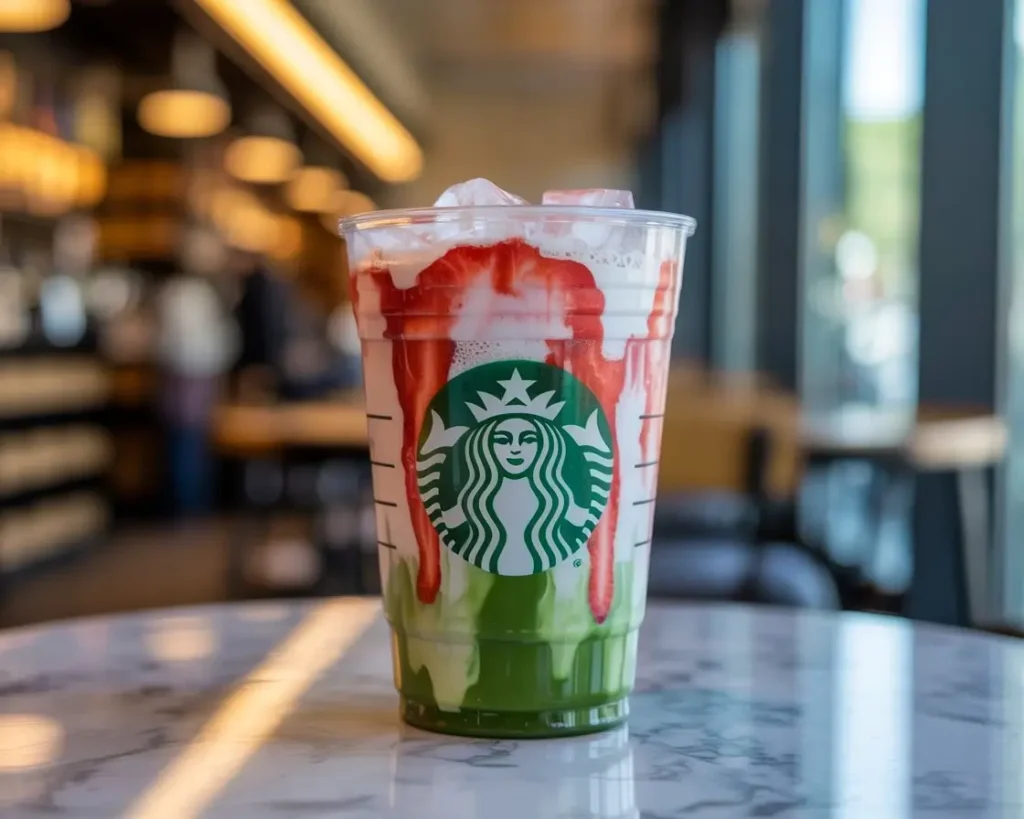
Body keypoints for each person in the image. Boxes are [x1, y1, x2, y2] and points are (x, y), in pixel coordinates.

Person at [156, 227, 238, 517]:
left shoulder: (185, 291)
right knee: (188, 444)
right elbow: (195, 343)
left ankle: (190, 505)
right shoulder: (187, 292)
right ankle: (190, 507)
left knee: (189, 443)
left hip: (190, 375)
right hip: (190, 376)